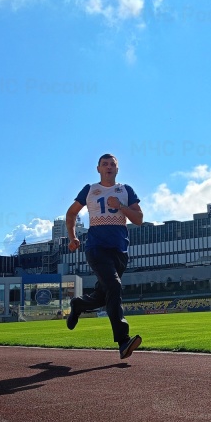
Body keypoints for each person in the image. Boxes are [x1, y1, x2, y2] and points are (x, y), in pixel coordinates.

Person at [65, 153, 143, 359]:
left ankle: (78, 304)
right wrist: (72, 238)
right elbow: (71, 213)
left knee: (103, 295)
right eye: (104, 164)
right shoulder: (90, 190)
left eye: (112, 164)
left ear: (117, 169)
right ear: (98, 168)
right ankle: (123, 340)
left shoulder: (126, 190)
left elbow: (139, 219)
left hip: (120, 250)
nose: (108, 167)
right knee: (115, 286)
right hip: (96, 248)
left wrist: (121, 207)